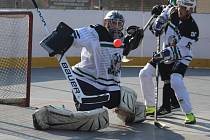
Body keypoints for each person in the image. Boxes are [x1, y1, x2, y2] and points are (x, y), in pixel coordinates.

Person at [32, 10, 145, 131]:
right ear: (106, 23)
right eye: (113, 23)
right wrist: (60, 37)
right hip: (86, 83)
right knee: (96, 118)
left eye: (119, 24)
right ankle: (50, 117)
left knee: (132, 104)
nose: (116, 27)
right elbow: (75, 35)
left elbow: (126, 49)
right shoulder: (96, 33)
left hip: (108, 86)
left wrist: (135, 39)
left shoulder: (121, 40)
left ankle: (117, 110)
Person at [139, 0, 199, 124]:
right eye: (183, 7)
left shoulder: (192, 28)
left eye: (189, 9)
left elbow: (179, 50)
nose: (186, 11)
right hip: (165, 53)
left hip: (182, 56)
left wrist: (162, 55)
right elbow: (156, 29)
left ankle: (189, 114)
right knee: (144, 74)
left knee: (175, 81)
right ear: (178, 6)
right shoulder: (170, 11)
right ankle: (150, 107)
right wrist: (158, 24)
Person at [149, 0, 180, 118]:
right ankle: (175, 103)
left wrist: (161, 17)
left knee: (168, 80)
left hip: (175, 52)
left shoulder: (177, 15)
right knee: (168, 79)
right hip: (167, 50)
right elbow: (156, 30)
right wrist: (159, 11)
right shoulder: (170, 10)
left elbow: (157, 29)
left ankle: (166, 107)